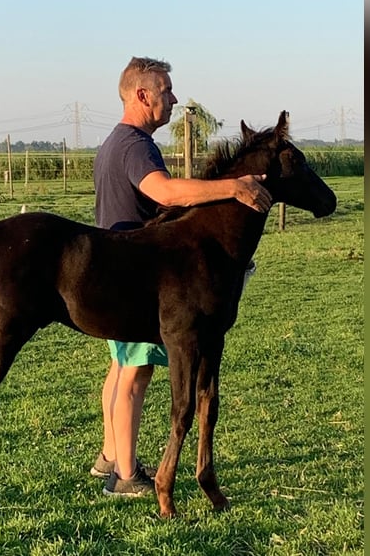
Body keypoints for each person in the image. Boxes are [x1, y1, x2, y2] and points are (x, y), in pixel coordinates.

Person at [91, 56, 272, 496]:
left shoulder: (117, 141)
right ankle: (127, 476)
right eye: (166, 90)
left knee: (120, 369)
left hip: (117, 267)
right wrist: (233, 188)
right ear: (142, 95)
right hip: (140, 273)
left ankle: (111, 457)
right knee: (136, 374)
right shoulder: (135, 145)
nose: (172, 99)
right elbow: (165, 191)